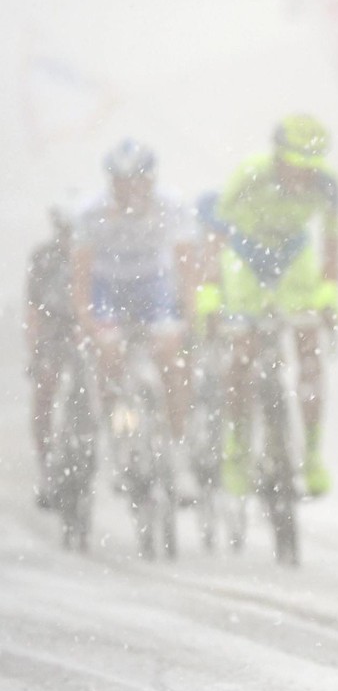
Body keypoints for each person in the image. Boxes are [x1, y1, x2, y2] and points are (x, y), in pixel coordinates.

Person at [205, 114, 338, 498]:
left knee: (308, 348)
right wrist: (210, 293)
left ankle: (312, 455)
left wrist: (328, 293)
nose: (303, 179)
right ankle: (237, 446)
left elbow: (331, 243)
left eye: (311, 169)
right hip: (246, 258)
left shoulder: (329, 186)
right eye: (296, 167)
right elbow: (215, 237)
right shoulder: (249, 176)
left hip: (292, 258)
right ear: (278, 158)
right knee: (242, 353)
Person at [71, 140, 198, 495]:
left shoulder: (172, 206)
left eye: (138, 181)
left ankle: (178, 452)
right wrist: (88, 322)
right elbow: (81, 277)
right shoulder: (90, 212)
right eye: (121, 182)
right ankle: (119, 443)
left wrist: (189, 317)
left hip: (153, 288)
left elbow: (187, 269)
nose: (130, 190)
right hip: (107, 288)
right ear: (110, 182)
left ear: (151, 180)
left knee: (171, 360)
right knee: (109, 356)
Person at [26, 205, 83, 508]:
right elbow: (33, 308)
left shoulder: (91, 251)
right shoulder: (43, 258)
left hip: (84, 331)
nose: (68, 236)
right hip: (53, 332)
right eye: (63, 228)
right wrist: (35, 346)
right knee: (44, 390)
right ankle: (46, 465)